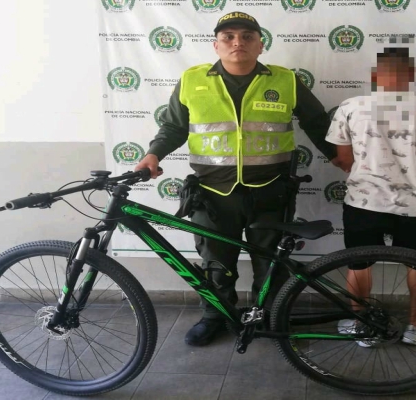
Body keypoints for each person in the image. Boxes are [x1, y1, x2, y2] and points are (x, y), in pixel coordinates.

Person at [135, 11, 343, 346]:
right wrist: (153, 154)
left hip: (271, 192)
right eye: (229, 37)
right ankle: (215, 316)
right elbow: (174, 127)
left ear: (261, 45)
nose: (237, 42)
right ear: (216, 45)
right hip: (212, 193)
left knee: (271, 263)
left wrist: (337, 156)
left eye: (247, 36)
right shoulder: (192, 80)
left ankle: (273, 319)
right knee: (216, 263)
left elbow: (317, 122)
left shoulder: (285, 80)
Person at [325, 44, 416, 347]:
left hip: (363, 203)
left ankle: (363, 327)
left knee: (359, 265)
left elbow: (344, 159)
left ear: (375, 75)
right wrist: (410, 177)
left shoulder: (351, 107)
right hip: (415, 204)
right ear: (411, 74)